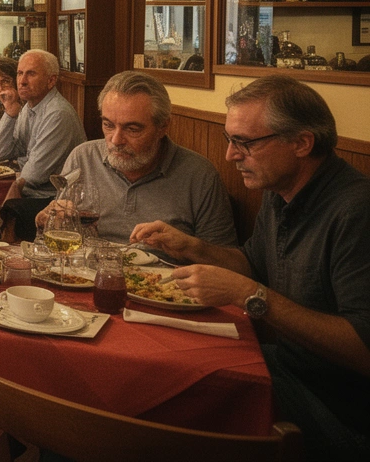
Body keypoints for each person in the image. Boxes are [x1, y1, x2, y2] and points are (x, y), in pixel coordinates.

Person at [131, 76, 370, 461]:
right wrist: (191, 246)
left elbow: (363, 349)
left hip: (340, 410)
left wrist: (248, 296)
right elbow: (252, 264)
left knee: (168, 410)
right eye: (229, 140)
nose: (230, 155)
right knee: (163, 365)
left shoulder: (355, 211)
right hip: (287, 365)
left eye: (245, 142)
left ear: (302, 143)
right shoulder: (282, 192)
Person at [31, 71, 235, 247]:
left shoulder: (199, 175)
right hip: (86, 277)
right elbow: (60, 231)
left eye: (132, 129)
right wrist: (47, 221)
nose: (116, 140)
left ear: (163, 127)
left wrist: (190, 247)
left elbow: (227, 264)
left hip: (161, 287)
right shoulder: (83, 157)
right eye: (108, 125)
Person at [0, 50, 85, 207]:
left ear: (51, 81)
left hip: (55, 201)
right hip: (32, 193)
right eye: (19, 73)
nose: (22, 81)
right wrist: (10, 111)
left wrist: (9, 193)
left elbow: (33, 175)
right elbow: (1, 152)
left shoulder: (57, 114)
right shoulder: (29, 107)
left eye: (31, 74)